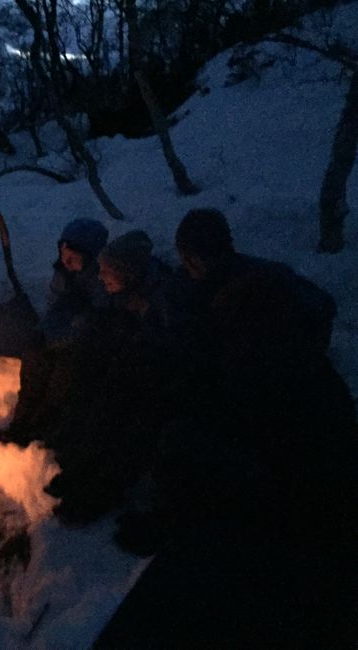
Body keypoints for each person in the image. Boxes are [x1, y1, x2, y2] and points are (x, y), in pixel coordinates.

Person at [98, 210, 358, 648]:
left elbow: (232, 465)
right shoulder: (300, 368)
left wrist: (166, 522)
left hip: (286, 549)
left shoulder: (258, 378)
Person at [45, 230, 186, 524]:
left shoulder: (160, 298)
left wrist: (141, 320)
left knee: (120, 416)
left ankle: (103, 490)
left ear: (128, 273)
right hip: (122, 372)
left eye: (108, 272)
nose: (100, 277)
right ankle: (83, 469)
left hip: (153, 383)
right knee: (93, 398)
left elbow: (170, 347)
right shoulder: (118, 296)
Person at [0, 218, 108, 445]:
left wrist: (68, 333)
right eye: (63, 253)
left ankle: (42, 429)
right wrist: (43, 333)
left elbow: (97, 319)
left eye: (72, 256)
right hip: (59, 335)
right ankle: (21, 424)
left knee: (61, 377)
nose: (66, 260)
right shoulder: (62, 274)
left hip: (81, 343)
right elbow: (53, 309)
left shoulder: (100, 278)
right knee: (34, 360)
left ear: (90, 255)